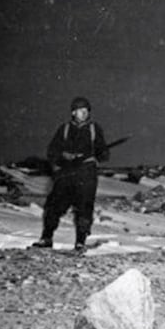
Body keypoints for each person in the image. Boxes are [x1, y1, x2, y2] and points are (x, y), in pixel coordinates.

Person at [30, 96, 109, 252]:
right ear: (73, 112)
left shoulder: (94, 129)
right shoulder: (64, 129)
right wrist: (64, 157)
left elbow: (104, 155)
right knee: (53, 206)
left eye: (86, 111)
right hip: (66, 174)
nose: (84, 113)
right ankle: (46, 238)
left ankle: (80, 242)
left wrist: (95, 154)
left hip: (86, 174)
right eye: (80, 111)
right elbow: (52, 152)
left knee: (84, 208)